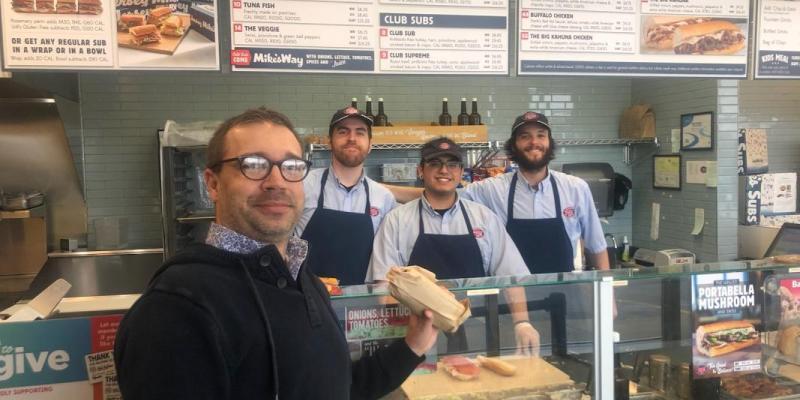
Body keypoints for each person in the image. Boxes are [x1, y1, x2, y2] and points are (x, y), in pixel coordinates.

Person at [114, 107, 438, 400]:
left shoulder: (305, 282)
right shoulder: (177, 307)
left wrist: (413, 346)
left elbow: (338, 386)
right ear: (212, 184)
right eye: (253, 165)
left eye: (291, 166)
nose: (276, 181)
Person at [367, 137, 540, 355]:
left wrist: (522, 323)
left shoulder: (484, 218)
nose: (444, 170)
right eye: (435, 163)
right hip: (418, 337)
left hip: (479, 334)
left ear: (460, 172)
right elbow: (386, 286)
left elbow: (511, 276)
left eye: (452, 164)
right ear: (421, 170)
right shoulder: (397, 220)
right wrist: (403, 338)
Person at [461, 112, 609, 273]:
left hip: (564, 293)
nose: (534, 142)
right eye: (525, 136)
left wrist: (609, 297)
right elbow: (447, 197)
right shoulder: (492, 189)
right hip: (512, 294)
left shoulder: (575, 188)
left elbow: (597, 247)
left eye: (541, 135)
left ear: (549, 142)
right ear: (514, 145)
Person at [295, 106, 397, 285]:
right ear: (329, 141)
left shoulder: (384, 198)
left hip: (362, 305)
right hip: (305, 299)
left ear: (370, 144)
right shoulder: (302, 186)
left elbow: (385, 263)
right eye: (343, 132)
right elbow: (281, 243)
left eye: (360, 132)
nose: (352, 138)